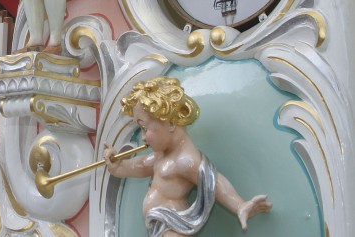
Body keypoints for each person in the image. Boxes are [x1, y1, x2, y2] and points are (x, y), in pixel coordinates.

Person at [104, 77, 272, 236]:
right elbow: (142, 165)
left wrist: (239, 205)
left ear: (170, 123)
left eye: (145, 128)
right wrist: (118, 166)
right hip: (160, 227)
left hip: (174, 229)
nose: (143, 137)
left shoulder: (185, 160)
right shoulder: (161, 154)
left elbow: (212, 182)